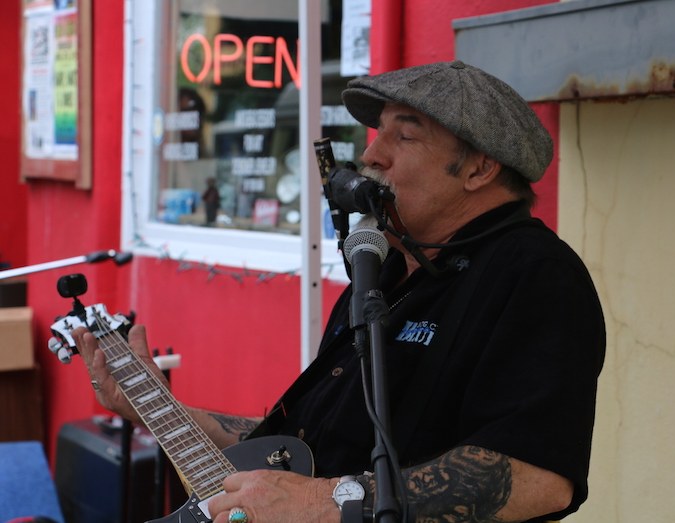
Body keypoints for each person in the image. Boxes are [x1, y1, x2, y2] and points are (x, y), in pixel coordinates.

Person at [73, 61, 605, 523]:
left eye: (405, 134)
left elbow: (539, 477)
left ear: (479, 167)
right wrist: (161, 411)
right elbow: (293, 456)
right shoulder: (387, 268)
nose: (372, 154)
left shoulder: (537, 274)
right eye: (378, 133)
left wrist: (325, 502)